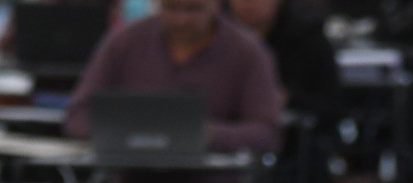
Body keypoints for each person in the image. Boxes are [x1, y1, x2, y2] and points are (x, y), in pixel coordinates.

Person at [63, 0, 284, 156]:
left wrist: (206, 134)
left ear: (216, 3)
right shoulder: (124, 42)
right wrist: (127, 131)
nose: (181, 20)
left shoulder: (248, 52)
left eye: (193, 8)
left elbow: (267, 133)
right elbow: (77, 115)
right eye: (170, 7)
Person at [226, 0, 342, 121]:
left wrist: (288, 99)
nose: (248, 3)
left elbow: (333, 107)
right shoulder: (215, 37)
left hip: (293, 132)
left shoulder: (308, 37)